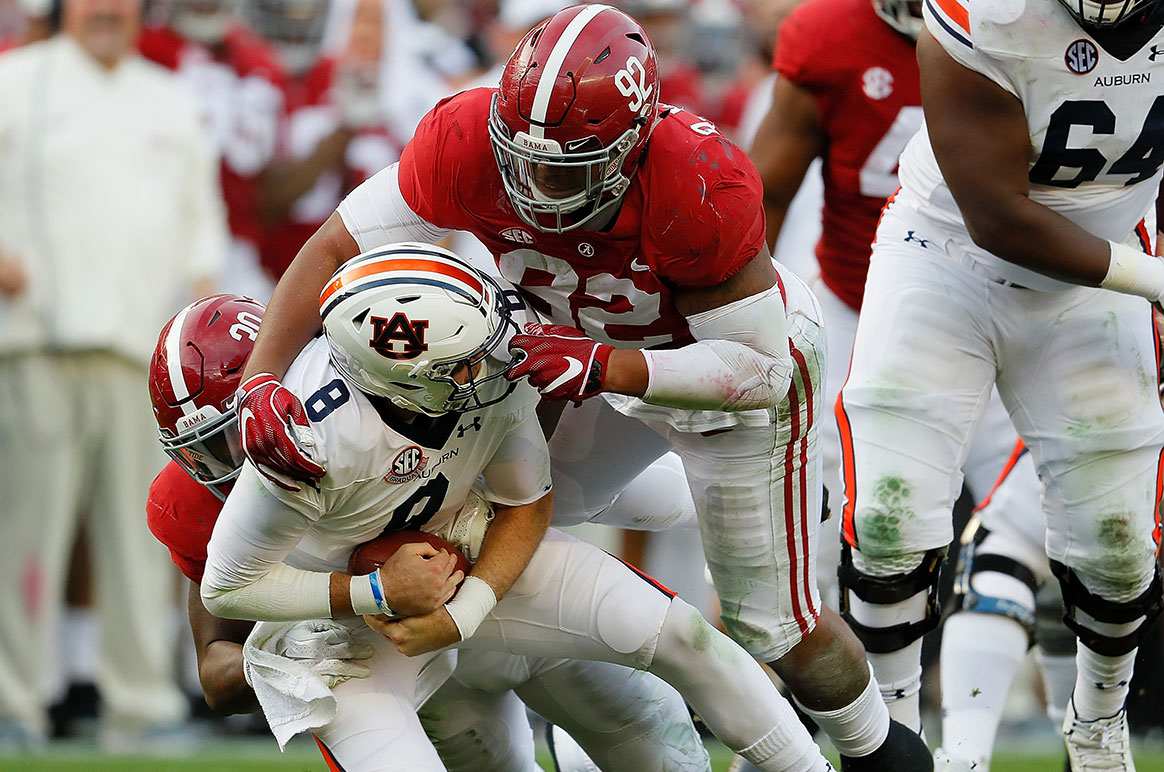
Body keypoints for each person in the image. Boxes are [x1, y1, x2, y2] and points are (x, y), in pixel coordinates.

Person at [229, 5, 933, 770]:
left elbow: (759, 373)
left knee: (777, 627)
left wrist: (605, 365)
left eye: (563, 168)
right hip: (583, 364)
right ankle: (543, 688)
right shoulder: (464, 138)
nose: (533, 185)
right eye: (518, 158)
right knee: (483, 513)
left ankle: (879, 751)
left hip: (721, 379)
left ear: (632, 147)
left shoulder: (695, 179)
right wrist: (260, 377)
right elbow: (338, 242)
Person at [200, 243, 834, 771]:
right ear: (399, 378)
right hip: (353, 636)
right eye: (465, 364)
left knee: (682, 640)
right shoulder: (307, 437)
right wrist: (370, 591)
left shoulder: (486, 371)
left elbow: (528, 502)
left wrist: (460, 614)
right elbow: (224, 590)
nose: (492, 370)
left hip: (479, 555)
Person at [148, 292, 710, 772]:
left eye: (237, 431)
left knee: (663, 749)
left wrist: (715, 511)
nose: (241, 459)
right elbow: (216, 674)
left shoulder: (375, 401)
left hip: (507, 595)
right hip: (410, 659)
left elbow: (564, 493)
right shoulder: (196, 505)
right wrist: (275, 660)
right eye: (209, 449)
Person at [833, 0, 1164, 764]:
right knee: (889, 522)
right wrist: (1153, 280)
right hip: (948, 254)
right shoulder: (988, 12)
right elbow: (999, 218)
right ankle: (892, 738)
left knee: (1118, 553)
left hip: (1105, 263)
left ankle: (1097, 728)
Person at [745, 0, 1078, 761]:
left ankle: (1083, 733)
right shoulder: (827, 36)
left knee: (1056, 528)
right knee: (832, 536)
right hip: (860, 306)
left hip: (1011, 302)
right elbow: (767, 193)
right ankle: (844, 736)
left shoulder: (1029, 25)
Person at [0, 0, 227, 750]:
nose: (107, 10)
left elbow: (202, 218)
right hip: (39, 346)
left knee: (145, 537)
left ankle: (143, 706)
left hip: (146, 356)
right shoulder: (15, 80)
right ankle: (15, 703)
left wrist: (206, 302)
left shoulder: (167, 98)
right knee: (27, 537)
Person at [139, 0, 286, 301]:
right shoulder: (143, 51)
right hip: (159, 237)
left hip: (239, 248)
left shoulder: (260, 61)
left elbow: (269, 178)